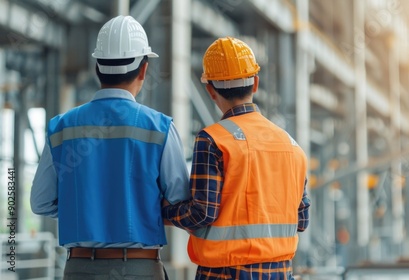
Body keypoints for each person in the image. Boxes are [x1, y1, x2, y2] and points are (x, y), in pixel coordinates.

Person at [30, 15, 189, 280]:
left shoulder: (62, 127)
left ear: (97, 67)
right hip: (140, 269)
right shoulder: (159, 127)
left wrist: (83, 205)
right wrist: (139, 205)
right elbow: (180, 200)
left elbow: (41, 202)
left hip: (80, 268)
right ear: (144, 69)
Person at [162, 36, 311, 280]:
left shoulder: (213, 140)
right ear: (255, 84)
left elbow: (202, 213)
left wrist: (162, 212)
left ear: (210, 90)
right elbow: (301, 220)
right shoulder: (292, 146)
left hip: (223, 274)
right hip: (281, 273)